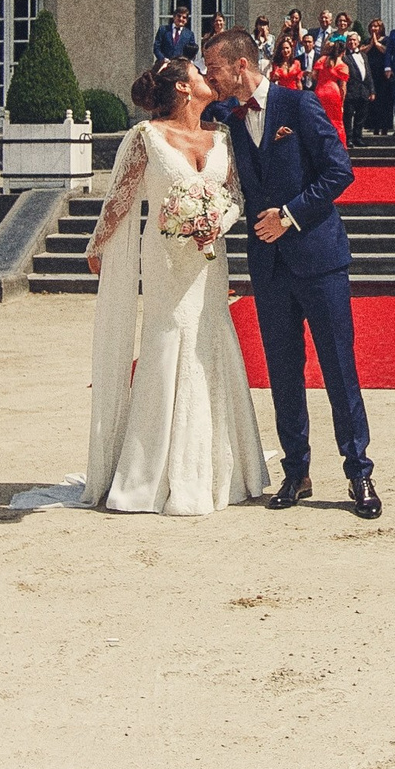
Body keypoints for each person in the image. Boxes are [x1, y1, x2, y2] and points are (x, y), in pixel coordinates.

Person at [36, 58, 268, 515]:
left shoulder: (222, 136)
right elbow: (120, 195)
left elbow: (236, 196)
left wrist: (217, 222)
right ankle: (151, 470)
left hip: (208, 259)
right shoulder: (146, 137)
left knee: (210, 336)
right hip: (163, 260)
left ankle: (219, 467)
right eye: (201, 72)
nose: (209, 77)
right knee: (167, 340)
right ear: (183, 87)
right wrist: (97, 245)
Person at [200, 29, 379, 518]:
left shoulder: (297, 106)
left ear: (240, 66)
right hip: (268, 266)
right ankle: (296, 472)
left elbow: (339, 170)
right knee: (282, 372)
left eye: (212, 67)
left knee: (339, 369)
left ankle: (359, 472)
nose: (207, 76)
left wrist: (290, 215)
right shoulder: (227, 119)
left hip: (318, 258)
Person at [313, 37, 351, 142]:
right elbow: (343, 87)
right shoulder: (342, 65)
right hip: (333, 91)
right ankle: (339, 145)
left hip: (320, 90)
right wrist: (342, 103)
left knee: (320, 119)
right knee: (336, 120)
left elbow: (314, 76)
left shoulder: (322, 59)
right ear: (343, 52)